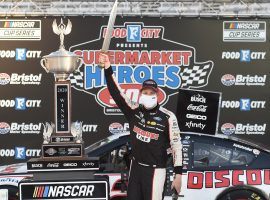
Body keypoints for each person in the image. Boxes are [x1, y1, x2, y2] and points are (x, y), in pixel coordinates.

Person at [99, 53, 182, 200]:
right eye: (145, 92)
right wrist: (107, 68)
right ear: (141, 93)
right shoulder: (133, 110)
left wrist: (178, 175)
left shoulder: (168, 117)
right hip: (136, 168)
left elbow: (176, 146)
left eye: (152, 93)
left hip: (156, 171)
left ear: (157, 95)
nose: (148, 94)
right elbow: (116, 92)